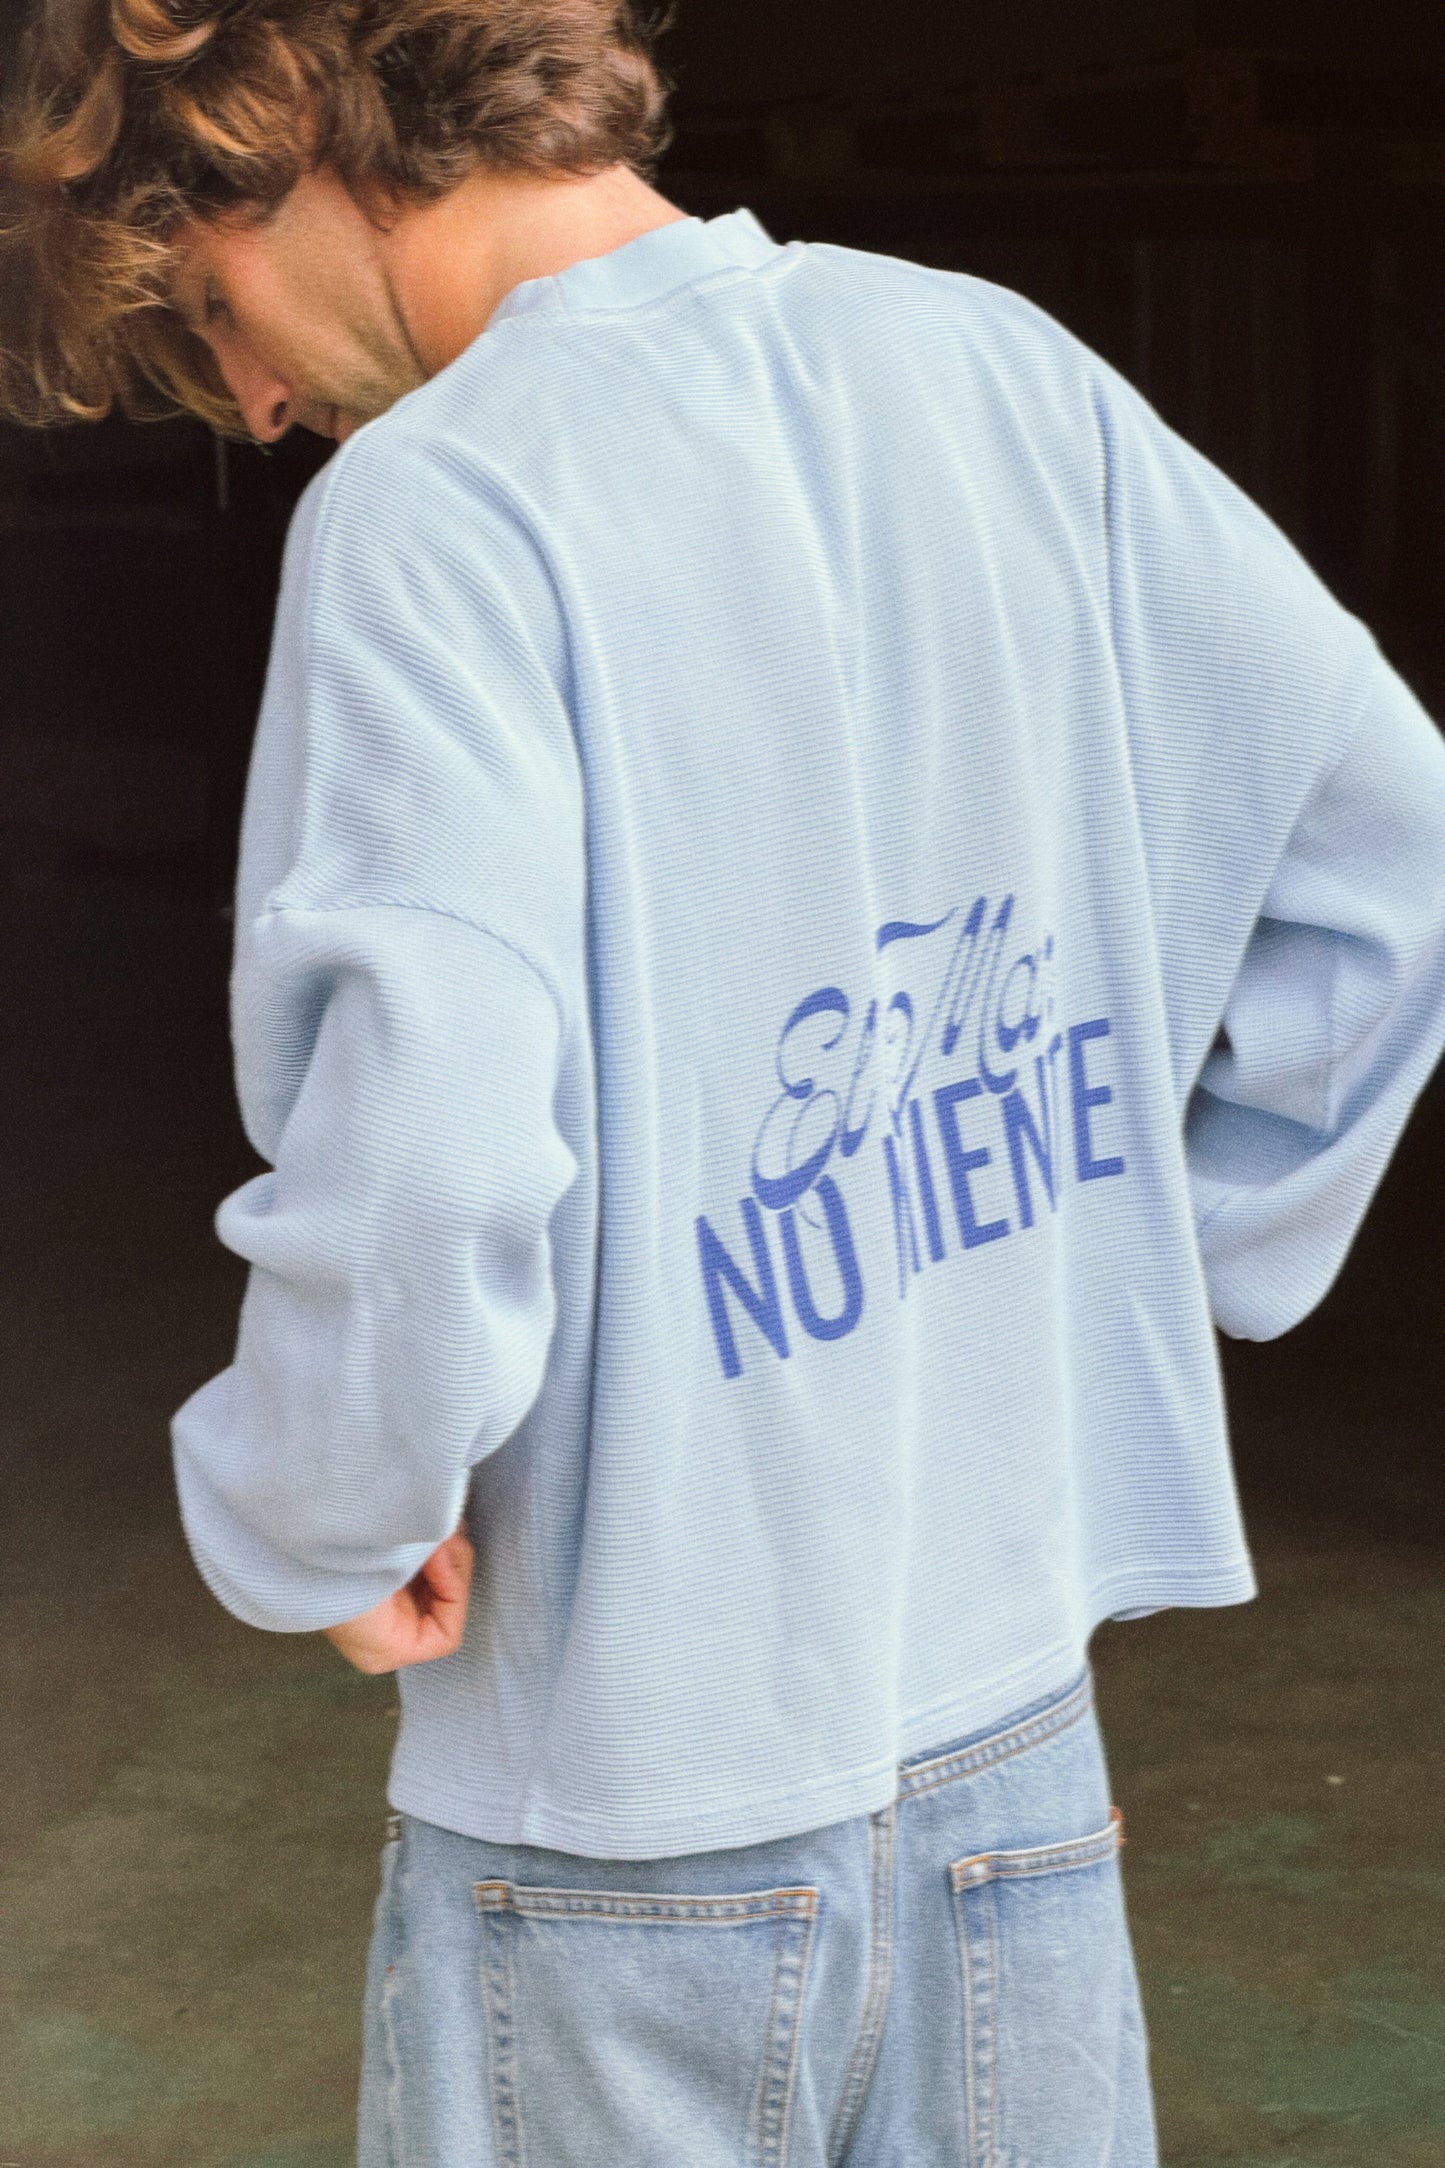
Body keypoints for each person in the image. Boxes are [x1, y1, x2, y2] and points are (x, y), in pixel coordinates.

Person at [6, 3, 1445, 2161]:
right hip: (1015, 1760)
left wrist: (321, 1512)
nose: (265, 400)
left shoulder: (439, 508)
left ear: (280, 112)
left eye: (207, 311)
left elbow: (430, 1151)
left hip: (622, 1803)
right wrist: (1145, 1268)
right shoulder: (994, 368)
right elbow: (1393, 853)